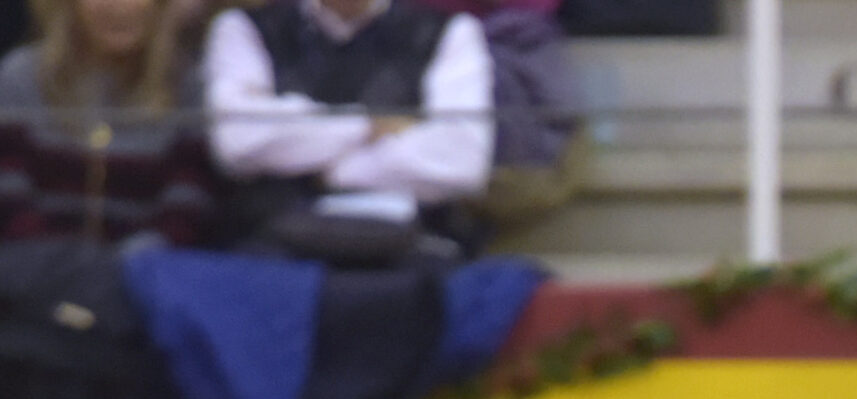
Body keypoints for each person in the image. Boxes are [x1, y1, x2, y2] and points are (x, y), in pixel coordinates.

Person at [205, 0, 493, 260]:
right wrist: (368, 126)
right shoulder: (246, 28)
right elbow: (237, 142)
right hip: (273, 250)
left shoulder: (449, 31)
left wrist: (328, 171)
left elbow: (462, 162)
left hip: (410, 251)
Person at [0, 0, 217, 244]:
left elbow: (188, 201)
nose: (119, 6)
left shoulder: (187, 88)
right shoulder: (19, 78)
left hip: (145, 271)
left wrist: (139, 259)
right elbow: (9, 196)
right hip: (32, 267)